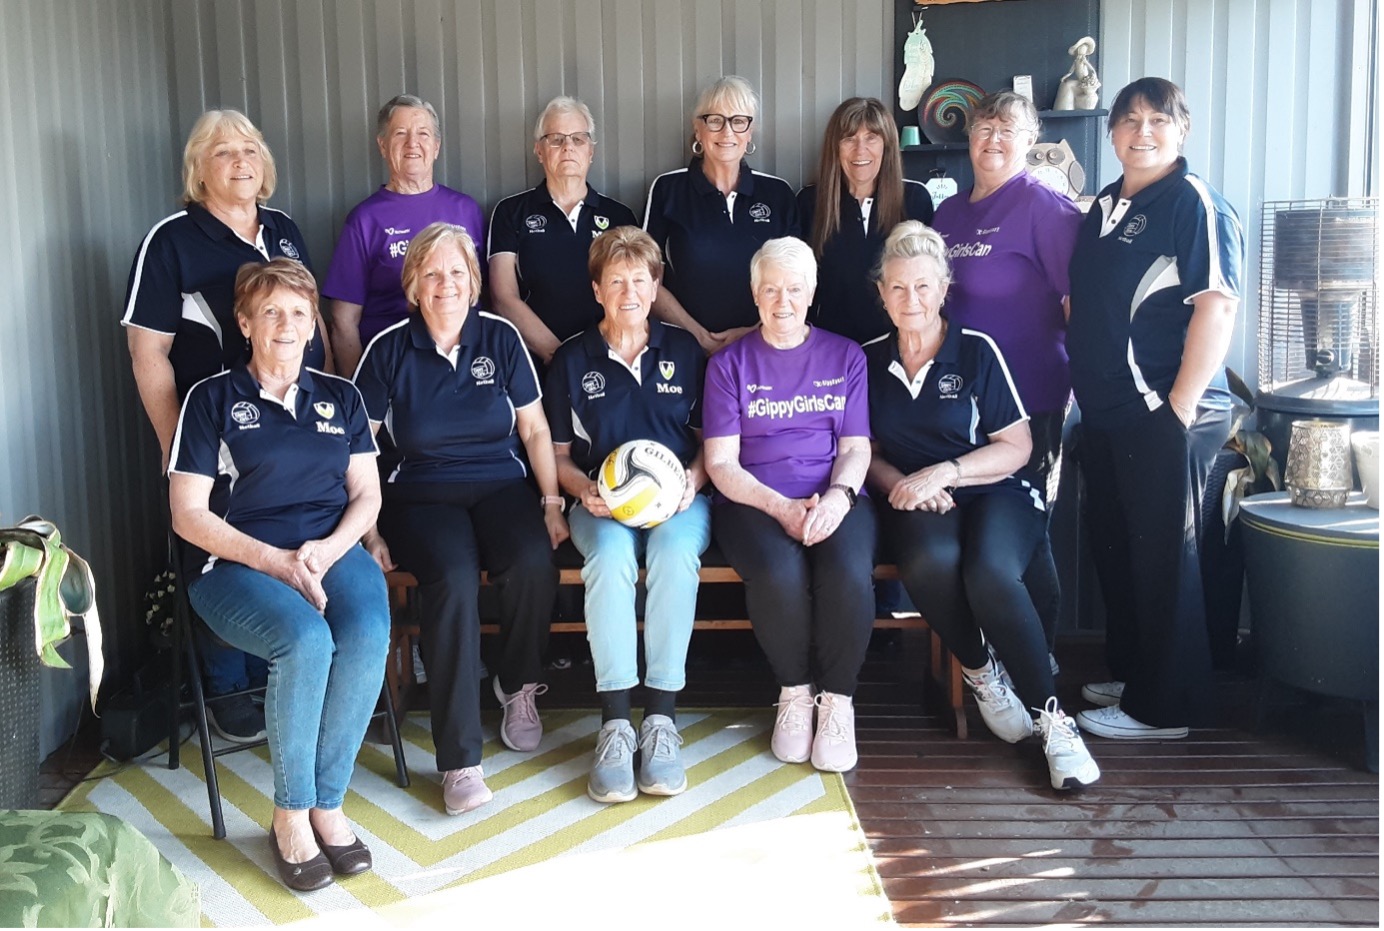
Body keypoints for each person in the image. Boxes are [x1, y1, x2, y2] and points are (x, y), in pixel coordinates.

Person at [168, 258, 388, 892]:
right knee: (305, 641)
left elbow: (366, 497)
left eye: (298, 312)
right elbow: (187, 515)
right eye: (271, 312)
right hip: (237, 563)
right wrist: (278, 562)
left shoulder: (342, 397)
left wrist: (323, 551)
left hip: (330, 550)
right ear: (245, 323)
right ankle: (290, 815)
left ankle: (329, 805)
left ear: (314, 322)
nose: (287, 325)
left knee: (368, 632)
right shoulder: (210, 400)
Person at [863, 222, 1099, 790]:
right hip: (921, 501)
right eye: (898, 288)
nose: (911, 299)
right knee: (927, 565)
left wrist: (948, 470)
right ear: (881, 294)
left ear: (944, 288)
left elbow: (1018, 448)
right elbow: (863, 451)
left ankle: (1052, 721)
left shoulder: (976, 350)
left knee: (990, 574)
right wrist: (905, 483)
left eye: (923, 286)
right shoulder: (867, 361)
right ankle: (980, 671)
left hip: (994, 490)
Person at [123, 108, 332, 741]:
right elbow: (148, 352)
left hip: (295, 428)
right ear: (199, 171)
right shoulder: (172, 240)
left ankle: (287, 676)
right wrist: (174, 448)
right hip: (216, 430)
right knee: (218, 549)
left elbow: (311, 319)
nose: (240, 161)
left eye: (249, 149)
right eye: (222, 152)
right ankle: (229, 689)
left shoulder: (285, 230)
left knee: (291, 533)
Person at [353, 222, 566, 815]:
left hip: (501, 484)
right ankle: (459, 760)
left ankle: (516, 683)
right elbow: (360, 448)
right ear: (414, 285)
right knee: (450, 578)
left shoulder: (499, 338)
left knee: (529, 562)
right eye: (432, 274)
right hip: (420, 492)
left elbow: (535, 429)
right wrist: (369, 530)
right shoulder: (389, 348)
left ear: (474, 281)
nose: (445, 284)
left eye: (456, 272)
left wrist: (550, 504)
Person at [1066, 78, 1244, 740]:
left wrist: (1178, 408)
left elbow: (1217, 305)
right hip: (1109, 413)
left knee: (1163, 557)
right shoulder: (1107, 204)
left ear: (1182, 129)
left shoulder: (1192, 203)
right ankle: (1139, 672)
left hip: (1163, 412)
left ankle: (1162, 708)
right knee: (1121, 550)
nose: (1143, 131)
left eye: (1157, 120)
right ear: (1110, 133)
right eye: (1129, 120)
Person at [545, 227, 709, 803]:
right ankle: (615, 723)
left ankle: (661, 721)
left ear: (655, 284)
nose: (629, 290)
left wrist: (694, 480)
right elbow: (559, 458)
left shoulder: (685, 351)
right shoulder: (571, 359)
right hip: (601, 503)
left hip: (680, 502)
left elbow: (712, 443)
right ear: (597, 290)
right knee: (611, 557)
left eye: (640, 279)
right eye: (616, 281)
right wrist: (585, 488)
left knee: (673, 551)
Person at [703, 237, 874, 773]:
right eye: (771, 289)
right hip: (752, 500)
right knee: (777, 573)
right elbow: (722, 464)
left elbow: (855, 448)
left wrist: (838, 499)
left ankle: (838, 702)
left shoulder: (845, 355)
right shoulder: (729, 365)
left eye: (794, 289)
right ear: (754, 294)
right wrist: (781, 508)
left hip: (835, 495)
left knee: (847, 571)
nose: (783, 301)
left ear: (812, 292)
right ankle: (796, 694)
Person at [929, 90, 1084, 655]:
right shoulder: (948, 213)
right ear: (968, 138)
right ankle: (980, 656)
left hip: (1032, 399)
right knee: (973, 526)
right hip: (963, 400)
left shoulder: (1045, 209)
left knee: (1024, 533)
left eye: (1008, 130)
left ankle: (1036, 654)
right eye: (983, 128)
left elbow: (1078, 307)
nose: (993, 139)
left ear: (1029, 141)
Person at [323, 95, 486, 376]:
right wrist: (361, 397)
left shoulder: (466, 210)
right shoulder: (364, 219)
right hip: (393, 368)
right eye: (400, 133)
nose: (413, 143)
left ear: (436, 146)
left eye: (423, 134)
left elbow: (488, 298)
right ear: (383, 145)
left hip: (466, 365)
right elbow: (343, 321)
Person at [644, 75, 799, 354]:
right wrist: (699, 337)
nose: (728, 133)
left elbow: (799, 280)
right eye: (715, 120)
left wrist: (755, 333)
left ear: (750, 132)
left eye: (739, 121)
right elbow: (645, 277)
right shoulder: (668, 190)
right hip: (686, 349)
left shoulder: (778, 194)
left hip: (765, 347)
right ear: (698, 129)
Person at [489, 97, 639, 367]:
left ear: (591, 151)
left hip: (609, 360)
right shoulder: (510, 212)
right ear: (539, 150)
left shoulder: (621, 216)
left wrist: (598, 356)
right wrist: (559, 357)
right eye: (556, 139)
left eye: (578, 139)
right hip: (535, 362)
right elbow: (502, 298)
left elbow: (635, 295)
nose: (568, 147)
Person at [798, 96, 934, 345]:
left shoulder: (916, 200)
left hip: (899, 349)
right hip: (831, 349)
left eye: (871, 137)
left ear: (887, 145)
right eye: (849, 139)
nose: (860, 150)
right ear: (835, 147)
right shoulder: (809, 203)